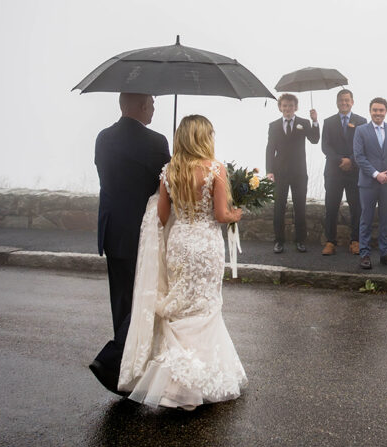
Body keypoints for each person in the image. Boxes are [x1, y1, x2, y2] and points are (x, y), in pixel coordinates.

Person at [118, 115, 247, 409]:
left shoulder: (168, 172)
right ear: (203, 137)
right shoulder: (216, 169)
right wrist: (235, 215)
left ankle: (174, 378)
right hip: (205, 245)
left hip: (179, 242)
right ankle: (203, 377)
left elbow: (162, 217)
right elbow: (220, 215)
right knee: (205, 303)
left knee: (180, 303)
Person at [90, 93, 170, 396]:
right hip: (140, 229)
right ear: (139, 106)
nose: (153, 109)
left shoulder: (103, 138)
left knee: (120, 299)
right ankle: (111, 360)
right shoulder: (156, 142)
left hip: (112, 228)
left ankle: (124, 367)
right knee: (142, 299)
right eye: (151, 104)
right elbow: (164, 186)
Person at [353, 97, 387, 270]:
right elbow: (359, 157)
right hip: (368, 182)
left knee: (386, 219)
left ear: (386, 111)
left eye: (381, 110)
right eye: (375, 110)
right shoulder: (361, 130)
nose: (378, 113)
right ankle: (365, 255)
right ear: (370, 111)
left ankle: (385, 254)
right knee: (366, 219)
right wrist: (376, 174)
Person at [265, 93, 320, 253]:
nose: (287, 108)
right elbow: (270, 149)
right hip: (279, 173)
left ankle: (300, 240)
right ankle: (279, 241)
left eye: (290, 105)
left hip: (299, 173)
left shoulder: (303, 122)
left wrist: (315, 121)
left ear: (295, 107)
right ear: (280, 107)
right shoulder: (274, 125)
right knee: (279, 207)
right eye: (284, 105)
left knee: (300, 207)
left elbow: (315, 139)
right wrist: (269, 171)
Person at [320, 89, 367, 256]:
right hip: (334, 171)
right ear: (337, 102)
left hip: (354, 172)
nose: (344, 103)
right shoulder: (329, 122)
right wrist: (341, 160)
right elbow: (325, 146)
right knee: (331, 207)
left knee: (356, 207)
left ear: (352, 102)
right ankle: (330, 242)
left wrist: (351, 161)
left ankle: (355, 241)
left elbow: (363, 145)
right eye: (341, 100)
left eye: (347, 100)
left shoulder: (361, 121)